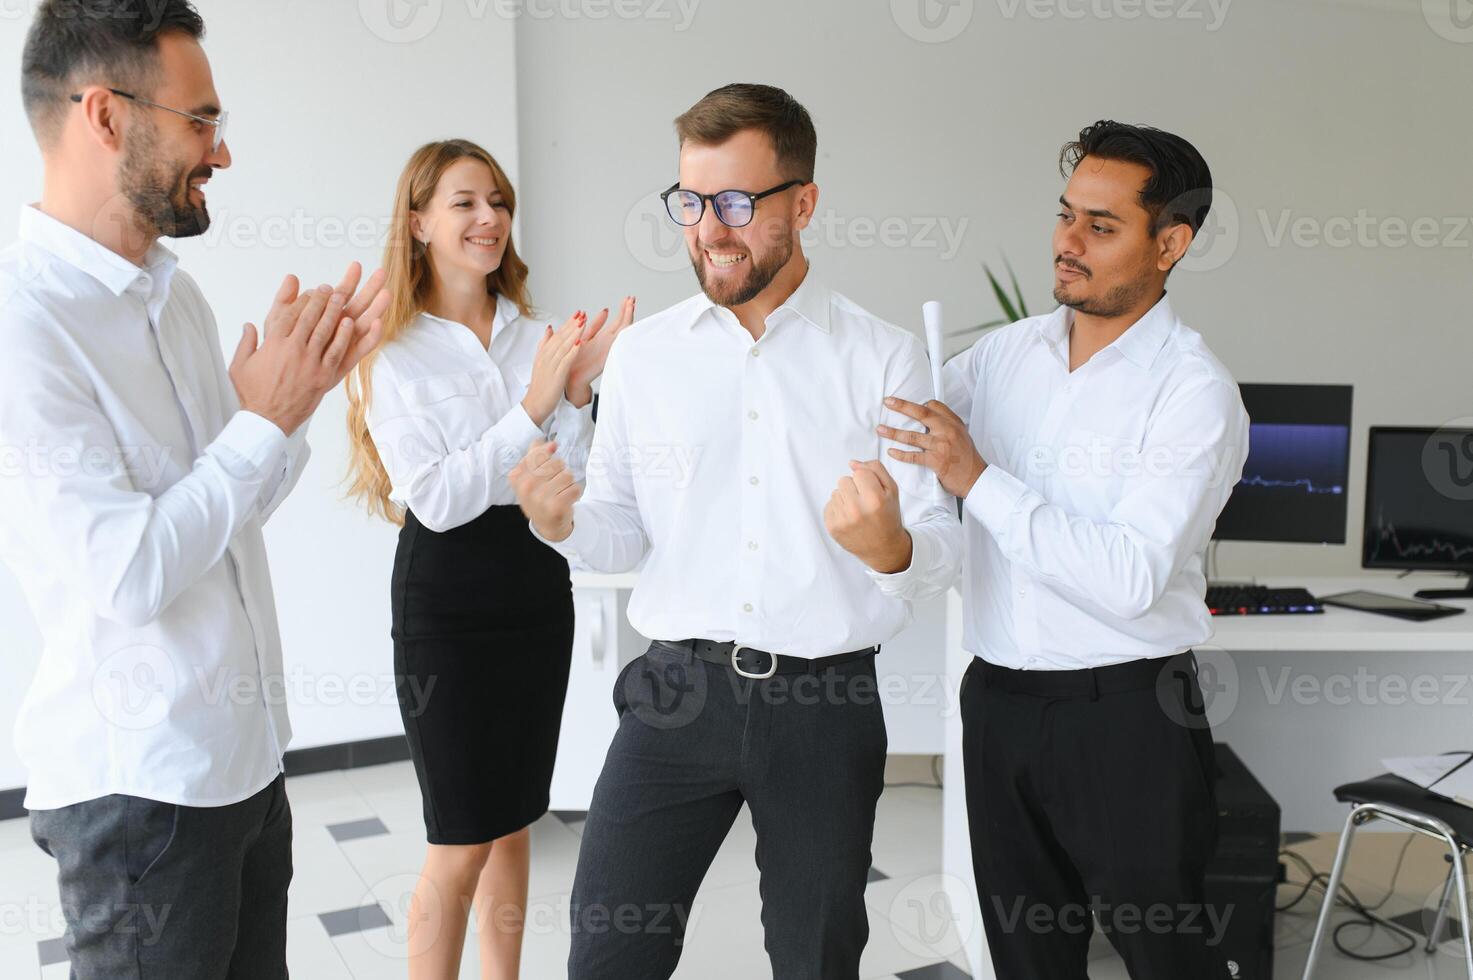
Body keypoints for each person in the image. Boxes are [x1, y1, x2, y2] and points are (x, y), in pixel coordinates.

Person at [509, 82, 961, 979]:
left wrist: (892, 550)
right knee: (607, 949)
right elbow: (620, 532)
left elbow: (938, 549)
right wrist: (561, 524)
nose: (710, 228)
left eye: (737, 202)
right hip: (675, 694)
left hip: (823, 707)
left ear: (803, 203)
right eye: (690, 202)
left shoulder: (881, 357)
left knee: (815, 954)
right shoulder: (646, 356)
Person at [0, 2, 388, 977]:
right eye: (201, 120)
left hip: (244, 766)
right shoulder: (26, 324)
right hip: (140, 795)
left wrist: (291, 409)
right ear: (105, 115)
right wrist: (259, 424)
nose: (222, 153)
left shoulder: (176, 295)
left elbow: (218, 512)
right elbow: (130, 571)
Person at [881, 120, 1250, 979]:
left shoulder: (1194, 392)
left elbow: (1127, 578)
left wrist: (978, 478)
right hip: (999, 703)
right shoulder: (1005, 356)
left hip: (1127, 717)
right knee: (1026, 956)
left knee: (1166, 958)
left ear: (1170, 243)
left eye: (1100, 225)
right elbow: (905, 444)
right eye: (1064, 214)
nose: (1066, 242)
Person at [345, 138, 634, 980]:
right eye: (466, 202)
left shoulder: (538, 337)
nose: (489, 219)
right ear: (419, 221)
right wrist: (537, 401)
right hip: (446, 599)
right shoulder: (391, 349)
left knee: (516, 820)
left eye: (498, 202)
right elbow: (435, 499)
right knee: (460, 837)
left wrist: (576, 395)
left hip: (534, 588)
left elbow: (571, 476)